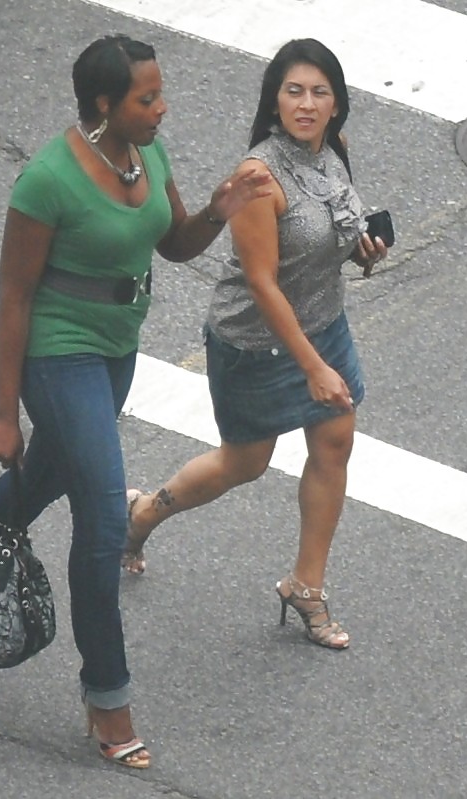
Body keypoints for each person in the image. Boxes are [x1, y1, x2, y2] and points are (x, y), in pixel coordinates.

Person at [0, 34, 271, 769]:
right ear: (103, 103)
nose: (161, 107)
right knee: (104, 516)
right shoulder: (47, 180)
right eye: (147, 97)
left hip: (114, 351)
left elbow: (172, 243)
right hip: (58, 352)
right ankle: (106, 697)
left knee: (53, 475)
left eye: (159, 93)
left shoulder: (147, 154)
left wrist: (218, 210)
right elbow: (14, 298)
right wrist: (5, 413)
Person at [122, 38, 388, 651]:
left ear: (337, 105)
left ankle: (306, 586)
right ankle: (142, 514)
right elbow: (264, 285)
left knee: (336, 439)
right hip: (255, 342)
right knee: (245, 463)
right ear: (274, 99)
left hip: (324, 321)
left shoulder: (334, 150)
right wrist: (314, 367)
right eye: (294, 90)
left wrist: (360, 251)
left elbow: (330, 229)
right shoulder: (258, 177)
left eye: (320, 92)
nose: (307, 103)